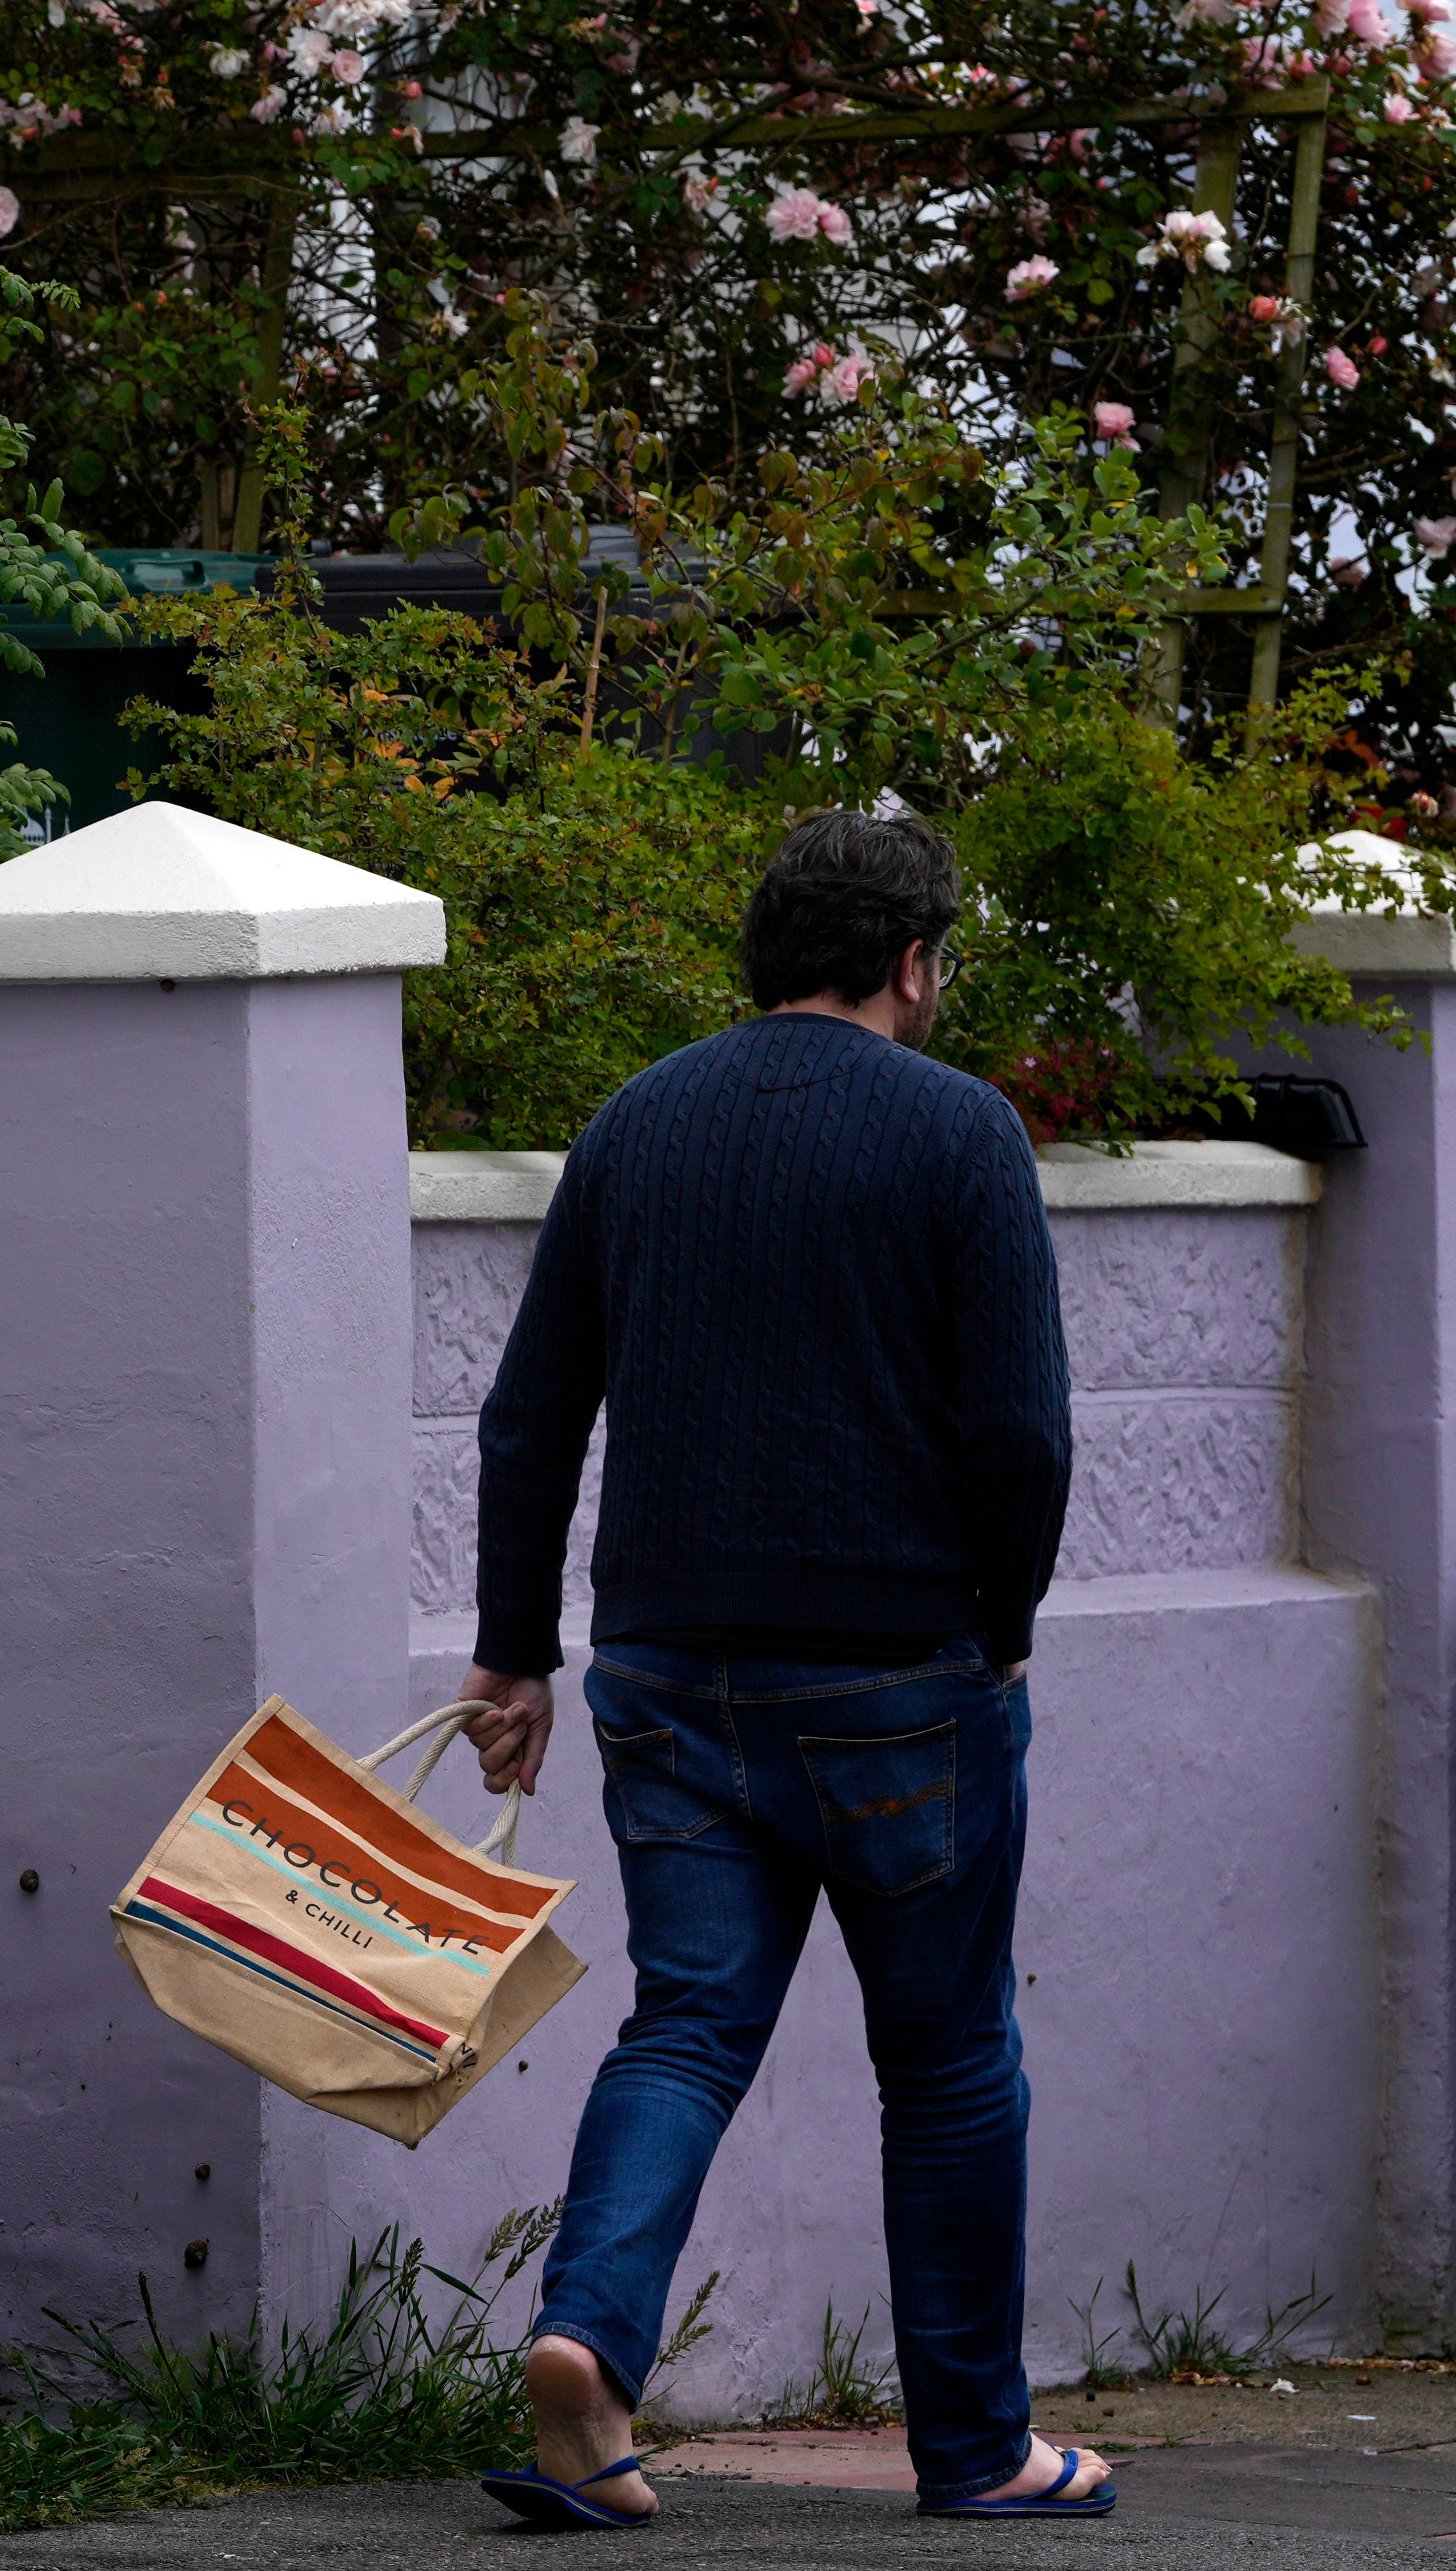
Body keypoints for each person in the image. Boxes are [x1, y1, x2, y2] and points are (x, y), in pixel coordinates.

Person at [454, 810, 1098, 2529]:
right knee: (951, 2059)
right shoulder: (963, 1134)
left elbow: (529, 1419)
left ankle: (587, 2352)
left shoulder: (637, 1123)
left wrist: (514, 1655)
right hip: (903, 1675)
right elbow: (1020, 1431)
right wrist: (1003, 1623)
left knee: (685, 2026)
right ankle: (977, 2449)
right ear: (909, 962)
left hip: (668, 1675)